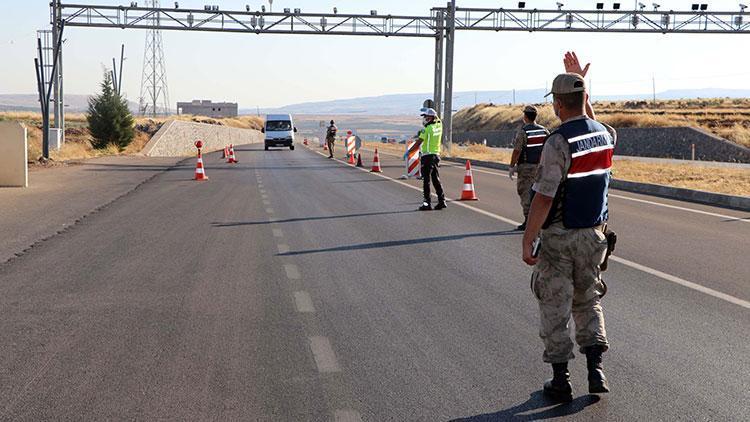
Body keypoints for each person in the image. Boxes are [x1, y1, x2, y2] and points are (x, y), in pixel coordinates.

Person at [522, 52, 616, 403]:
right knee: (589, 300)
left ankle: (561, 379)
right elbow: (591, 125)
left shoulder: (558, 141)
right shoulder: (604, 135)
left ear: (558, 104)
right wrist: (582, 87)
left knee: (555, 303)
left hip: (560, 237)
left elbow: (544, 197)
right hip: (594, 236)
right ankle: (596, 369)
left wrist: (528, 239)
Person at [509, 105, 550, 231]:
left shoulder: (523, 132)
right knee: (540, 193)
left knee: (526, 194)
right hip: (542, 168)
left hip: (526, 169)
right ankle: (542, 220)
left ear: (525, 117)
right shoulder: (544, 131)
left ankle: (529, 221)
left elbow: (517, 151)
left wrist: (512, 166)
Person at [408, 108, 446, 211]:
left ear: (431, 117)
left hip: (427, 156)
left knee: (426, 180)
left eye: (426, 116)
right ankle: (442, 201)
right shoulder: (439, 126)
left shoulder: (426, 129)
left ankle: (426, 203)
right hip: (436, 155)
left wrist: (409, 152)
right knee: (435, 179)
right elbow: (438, 122)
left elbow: (418, 142)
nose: (424, 118)